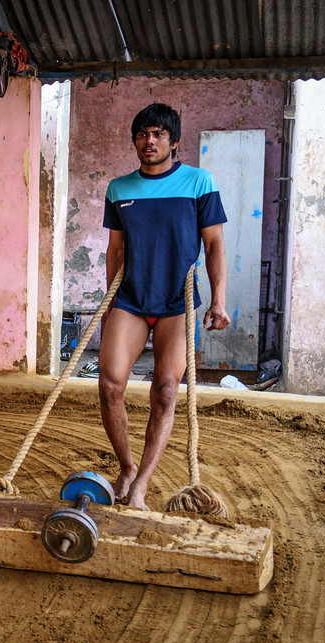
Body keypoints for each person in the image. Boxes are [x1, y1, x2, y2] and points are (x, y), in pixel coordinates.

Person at [99, 103, 230, 510]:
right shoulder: (119, 189)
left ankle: (140, 486)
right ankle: (126, 466)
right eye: (142, 134)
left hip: (177, 302)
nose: (149, 141)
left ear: (174, 141)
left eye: (157, 134)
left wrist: (219, 300)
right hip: (132, 300)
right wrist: (108, 301)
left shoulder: (199, 182)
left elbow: (214, 245)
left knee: (167, 390)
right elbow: (115, 250)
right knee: (109, 385)